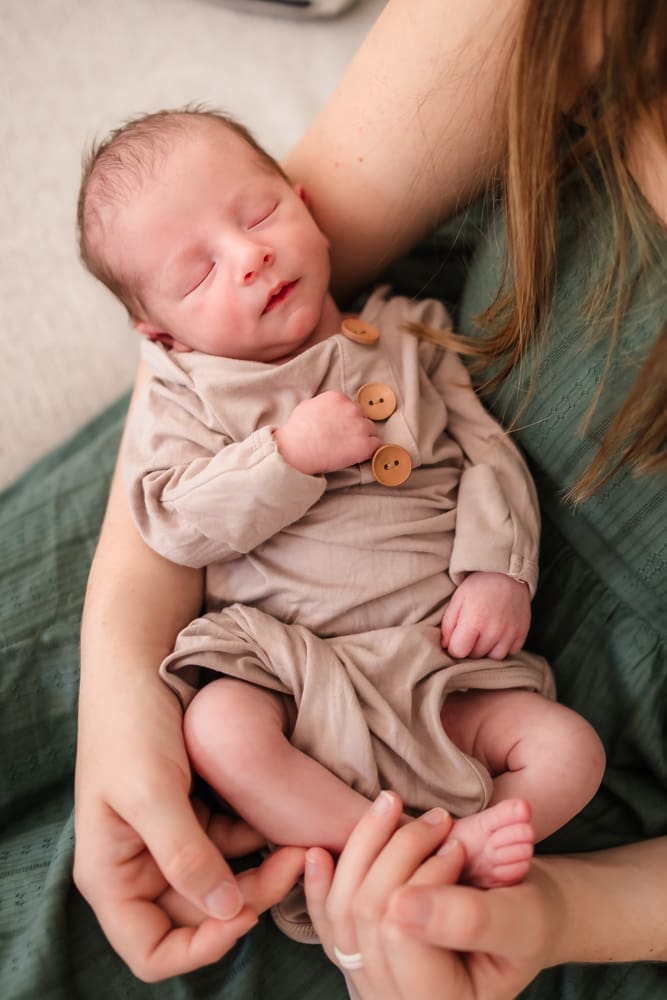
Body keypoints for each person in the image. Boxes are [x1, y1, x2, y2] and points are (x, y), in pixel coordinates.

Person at [73, 0, 666, 995]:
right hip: (292, 660)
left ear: (302, 203)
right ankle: (369, 839)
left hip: (444, 662)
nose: (250, 255)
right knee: (217, 728)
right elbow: (168, 516)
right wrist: (283, 458)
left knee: (568, 752)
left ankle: (445, 852)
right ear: (161, 339)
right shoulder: (197, 392)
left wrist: (497, 569)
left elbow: (487, 453)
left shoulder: (410, 331)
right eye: (200, 270)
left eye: (258, 216)